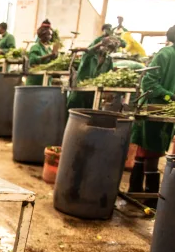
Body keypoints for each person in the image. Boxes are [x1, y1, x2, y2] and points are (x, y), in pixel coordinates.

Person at [129, 25, 175, 202]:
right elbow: (148, 82)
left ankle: (137, 191)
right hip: (155, 107)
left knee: (148, 149)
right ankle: (150, 196)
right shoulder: (165, 54)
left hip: (166, 110)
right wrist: (168, 96)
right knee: (151, 150)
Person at [66, 30, 120, 109]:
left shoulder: (108, 60)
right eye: (105, 46)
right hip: (80, 92)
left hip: (94, 95)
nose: (107, 49)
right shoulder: (89, 56)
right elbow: (88, 51)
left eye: (110, 48)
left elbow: (109, 75)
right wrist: (101, 43)